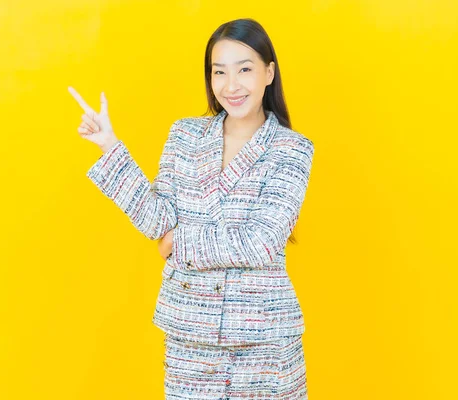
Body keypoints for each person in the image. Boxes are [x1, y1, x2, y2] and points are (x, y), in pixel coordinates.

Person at [69, 17, 314, 400]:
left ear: (269, 73)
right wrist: (110, 147)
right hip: (189, 335)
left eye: (244, 69)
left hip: (263, 341)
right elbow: (158, 220)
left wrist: (177, 244)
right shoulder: (184, 134)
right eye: (219, 72)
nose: (231, 86)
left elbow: (262, 242)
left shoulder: (293, 149)